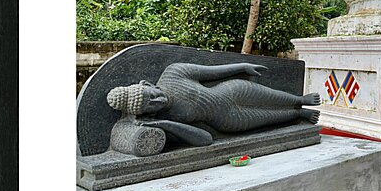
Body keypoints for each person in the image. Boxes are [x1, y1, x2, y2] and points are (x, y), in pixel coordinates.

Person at [106, 62, 320, 147]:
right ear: (146, 113)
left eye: (150, 94)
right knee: (269, 117)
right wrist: (165, 125)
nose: (157, 100)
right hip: (227, 120)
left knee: (273, 97)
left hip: (231, 90)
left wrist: (242, 66)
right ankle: (298, 115)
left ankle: (300, 101)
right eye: (150, 105)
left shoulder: (173, 73)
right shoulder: (169, 118)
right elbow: (205, 139)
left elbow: (213, 72)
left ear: (146, 84)